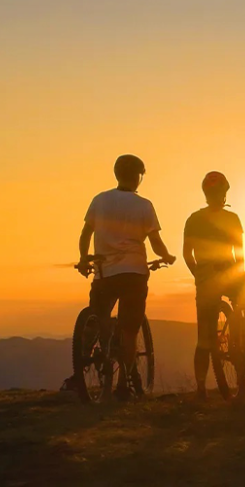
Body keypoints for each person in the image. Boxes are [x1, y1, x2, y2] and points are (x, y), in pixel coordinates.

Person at [74, 154, 176, 401]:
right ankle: (122, 385)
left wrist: (84, 257)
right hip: (134, 273)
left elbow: (86, 233)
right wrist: (168, 256)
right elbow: (156, 243)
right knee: (130, 331)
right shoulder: (144, 205)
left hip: (104, 272)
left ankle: (84, 358)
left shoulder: (99, 200)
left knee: (97, 316)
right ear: (138, 176)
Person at [182, 172, 245, 399]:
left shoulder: (194, 219)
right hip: (232, 275)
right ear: (224, 193)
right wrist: (242, 277)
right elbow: (239, 254)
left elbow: (187, 254)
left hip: (206, 278)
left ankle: (201, 389)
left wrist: (199, 276)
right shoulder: (232, 218)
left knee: (204, 338)